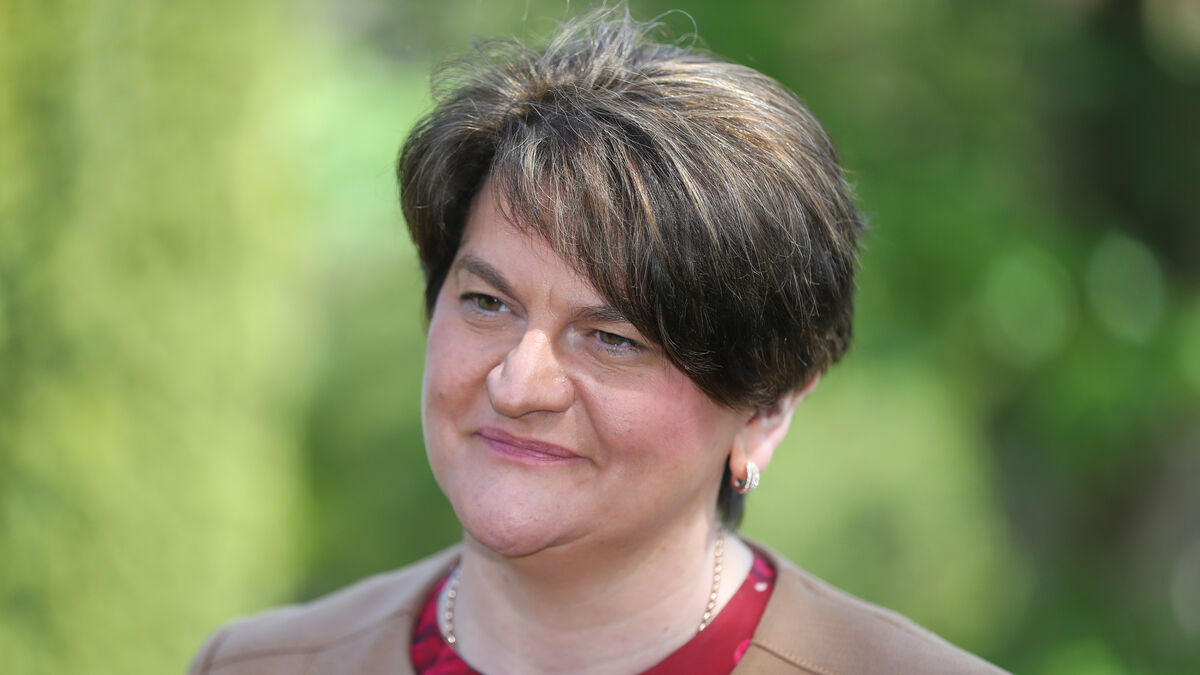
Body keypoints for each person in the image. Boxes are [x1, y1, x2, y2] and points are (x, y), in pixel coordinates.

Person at [189, 8, 1006, 674]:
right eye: (487, 302)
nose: (518, 383)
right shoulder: (259, 665)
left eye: (613, 339)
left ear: (766, 410)